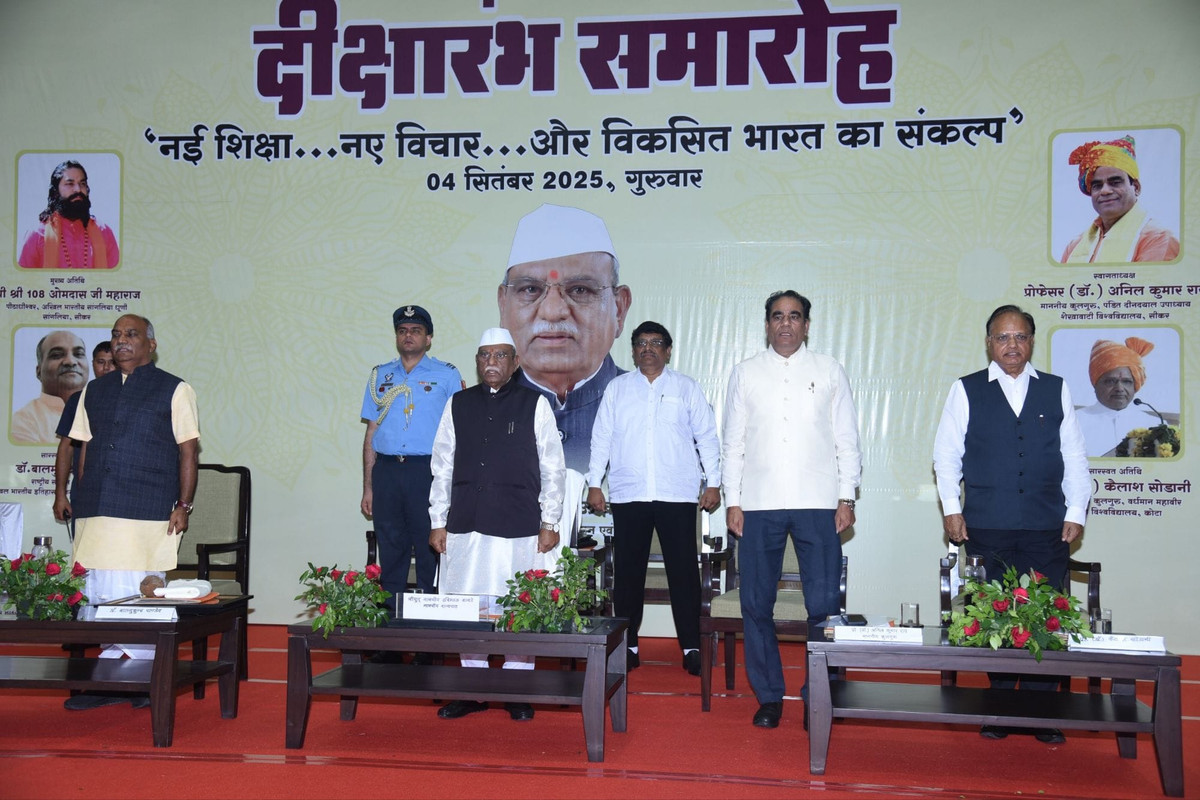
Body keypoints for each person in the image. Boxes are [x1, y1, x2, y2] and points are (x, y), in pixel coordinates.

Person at [933, 304, 1090, 744]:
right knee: (993, 617)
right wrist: (951, 508)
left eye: (1020, 336)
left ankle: (1042, 713)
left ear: (1031, 341)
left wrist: (1076, 511)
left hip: (1046, 526)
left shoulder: (1056, 389)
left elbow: (1074, 455)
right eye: (1002, 337)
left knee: (1046, 616)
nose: (1012, 345)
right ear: (989, 343)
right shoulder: (966, 389)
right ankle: (1000, 709)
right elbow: (946, 455)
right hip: (988, 525)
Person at [721, 291, 862, 730]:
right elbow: (733, 443)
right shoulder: (745, 373)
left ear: (807, 325)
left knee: (823, 605)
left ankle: (817, 695)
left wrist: (846, 497)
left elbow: (847, 439)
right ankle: (769, 698)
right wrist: (732, 500)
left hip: (818, 503)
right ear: (767, 324)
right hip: (757, 505)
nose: (786, 324)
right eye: (778, 316)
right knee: (755, 604)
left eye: (794, 316)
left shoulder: (829, 370)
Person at [429, 328, 565, 722]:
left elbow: (553, 467)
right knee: (467, 605)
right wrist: (438, 520)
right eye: (485, 355)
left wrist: (550, 519)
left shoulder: (534, 404)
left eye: (501, 355)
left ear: (515, 362)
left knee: (517, 605)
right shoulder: (458, 403)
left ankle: (516, 689)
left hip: (518, 523)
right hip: (466, 522)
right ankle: (472, 688)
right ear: (477, 361)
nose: (492, 362)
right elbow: (442, 465)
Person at [65, 314, 199, 710]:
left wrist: (183, 504)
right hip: (96, 507)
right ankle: (115, 679)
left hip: (147, 506)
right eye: (116, 335)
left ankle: (144, 678)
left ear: (150, 345)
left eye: (131, 334)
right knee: (98, 593)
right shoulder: (94, 390)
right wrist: (81, 497)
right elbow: (82, 449)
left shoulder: (175, 388)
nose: (121, 340)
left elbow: (188, 451)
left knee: (136, 593)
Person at [586, 321, 721, 675]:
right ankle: (628, 646)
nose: (648, 348)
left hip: (677, 494)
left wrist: (714, 482)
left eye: (656, 342)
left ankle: (691, 647)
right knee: (628, 574)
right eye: (641, 343)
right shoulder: (617, 389)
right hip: (630, 493)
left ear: (668, 350)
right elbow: (601, 438)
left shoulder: (686, 387)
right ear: (633, 351)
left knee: (684, 574)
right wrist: (595, 483)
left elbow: (707, 437)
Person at [497, 204, 632, 473]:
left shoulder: (659, 404)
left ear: (619, 308)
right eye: (530, 289)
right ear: (503, 306)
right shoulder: (475, 409)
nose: (553, 311)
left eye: (579, 290)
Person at [361, 305, 462, 607]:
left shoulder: (447, 375)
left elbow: (458, 431)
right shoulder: (380, 376)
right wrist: (368, 487)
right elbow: (371, 433)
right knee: (391, 547)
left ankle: (429, 621)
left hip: (427, 472)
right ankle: (390, 620)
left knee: (430, 545)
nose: (408, 335)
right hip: (387, 471)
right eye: (402, 330)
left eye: (416, 331)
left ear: (428, 338)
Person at [1060, 136, 1179, 264]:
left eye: (1115, 182)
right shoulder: (1075, 246)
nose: (1105, 191)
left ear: (1136, 187)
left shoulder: (1158, 240)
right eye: (1097, 185)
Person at [53, 342, 116, 537]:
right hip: (85, 488)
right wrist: (60, 495)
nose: (106, 368)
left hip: (119, 490)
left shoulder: (132, 400)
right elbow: (66, 448)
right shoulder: (78, 400)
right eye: (101, 362)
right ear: (92, 364)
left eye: (112, 362)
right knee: (83, 548)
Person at [18, 160, 120, 269]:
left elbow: (117, 278)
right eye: (70, 184)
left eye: (82, 184)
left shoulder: (104, 233)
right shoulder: (37, 235)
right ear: (56, 192)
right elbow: (23, 278)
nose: (78, 189)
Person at [1076, 337, 1161, 457]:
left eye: (1126, 382)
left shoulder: (1155, 425)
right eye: (1110, 381)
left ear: (1135, 386)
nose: (1119, 388)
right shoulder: (1073, 422)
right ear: (1095, 384)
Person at [12, 330, 89, 444]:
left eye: (78, 354)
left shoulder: (101, 411)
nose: (70, 361)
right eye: (57, 355)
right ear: (39, 372)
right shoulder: (24, 421)